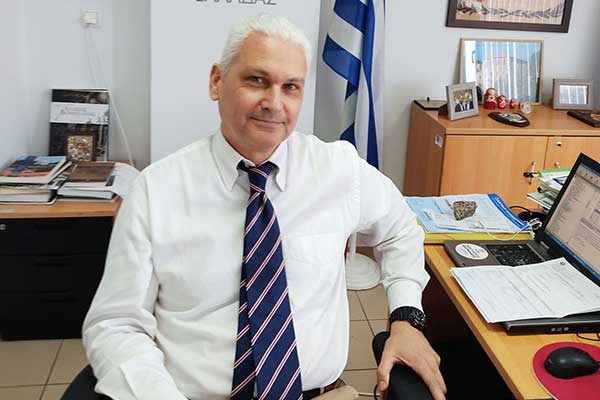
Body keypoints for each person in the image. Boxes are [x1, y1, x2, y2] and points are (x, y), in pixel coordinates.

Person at [82, 14, 446, 400]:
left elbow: (400, 229)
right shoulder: (156, 191)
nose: (274, 103)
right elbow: (116, 325)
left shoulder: (337, 170)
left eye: (291, 87)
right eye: (257, 80)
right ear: (216, 82)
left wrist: (406, 318)